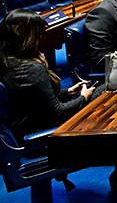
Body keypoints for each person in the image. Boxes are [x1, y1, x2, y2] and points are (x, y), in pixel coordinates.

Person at [0, 9, 97, 141]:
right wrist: (83, 97)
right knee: (102, 94)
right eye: (40, 33)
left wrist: (68, 91)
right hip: (39, 131)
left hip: (23, 123)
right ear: (30, 36)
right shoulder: (30, 68)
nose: (43, 37)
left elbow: (34, 98)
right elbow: (58, 113)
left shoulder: (7, 60)